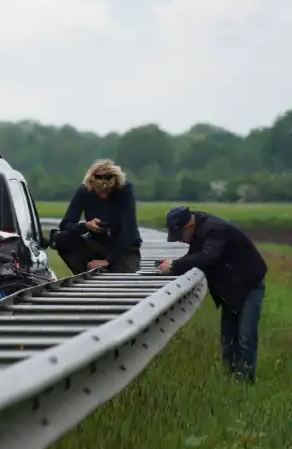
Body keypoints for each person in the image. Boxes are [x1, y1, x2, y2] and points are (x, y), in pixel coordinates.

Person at [159, 206, 267, 383]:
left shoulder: (215, 229)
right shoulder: (198, 231)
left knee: (245, 335)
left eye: (180, 235)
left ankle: (246, 382)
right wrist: (171, 268)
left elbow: (208, 256)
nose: (181, 240)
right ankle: (231, 380)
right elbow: (194, 256)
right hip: (230, 287)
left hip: (249, 284)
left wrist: (174, 265)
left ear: (190, 225)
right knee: (228, 338)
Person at [54, 159, 142, 274]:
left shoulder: (124, 190)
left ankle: (110, 265)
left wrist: (108, 260)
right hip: (97, 244)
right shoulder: (84, 191)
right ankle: (84, 273)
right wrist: (86, 226)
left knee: (122, 277)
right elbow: (65, 224)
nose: (103, 195)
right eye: (99, 192)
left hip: (124, 248)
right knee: (61, 238)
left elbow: (129, 229)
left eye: (107, 192)